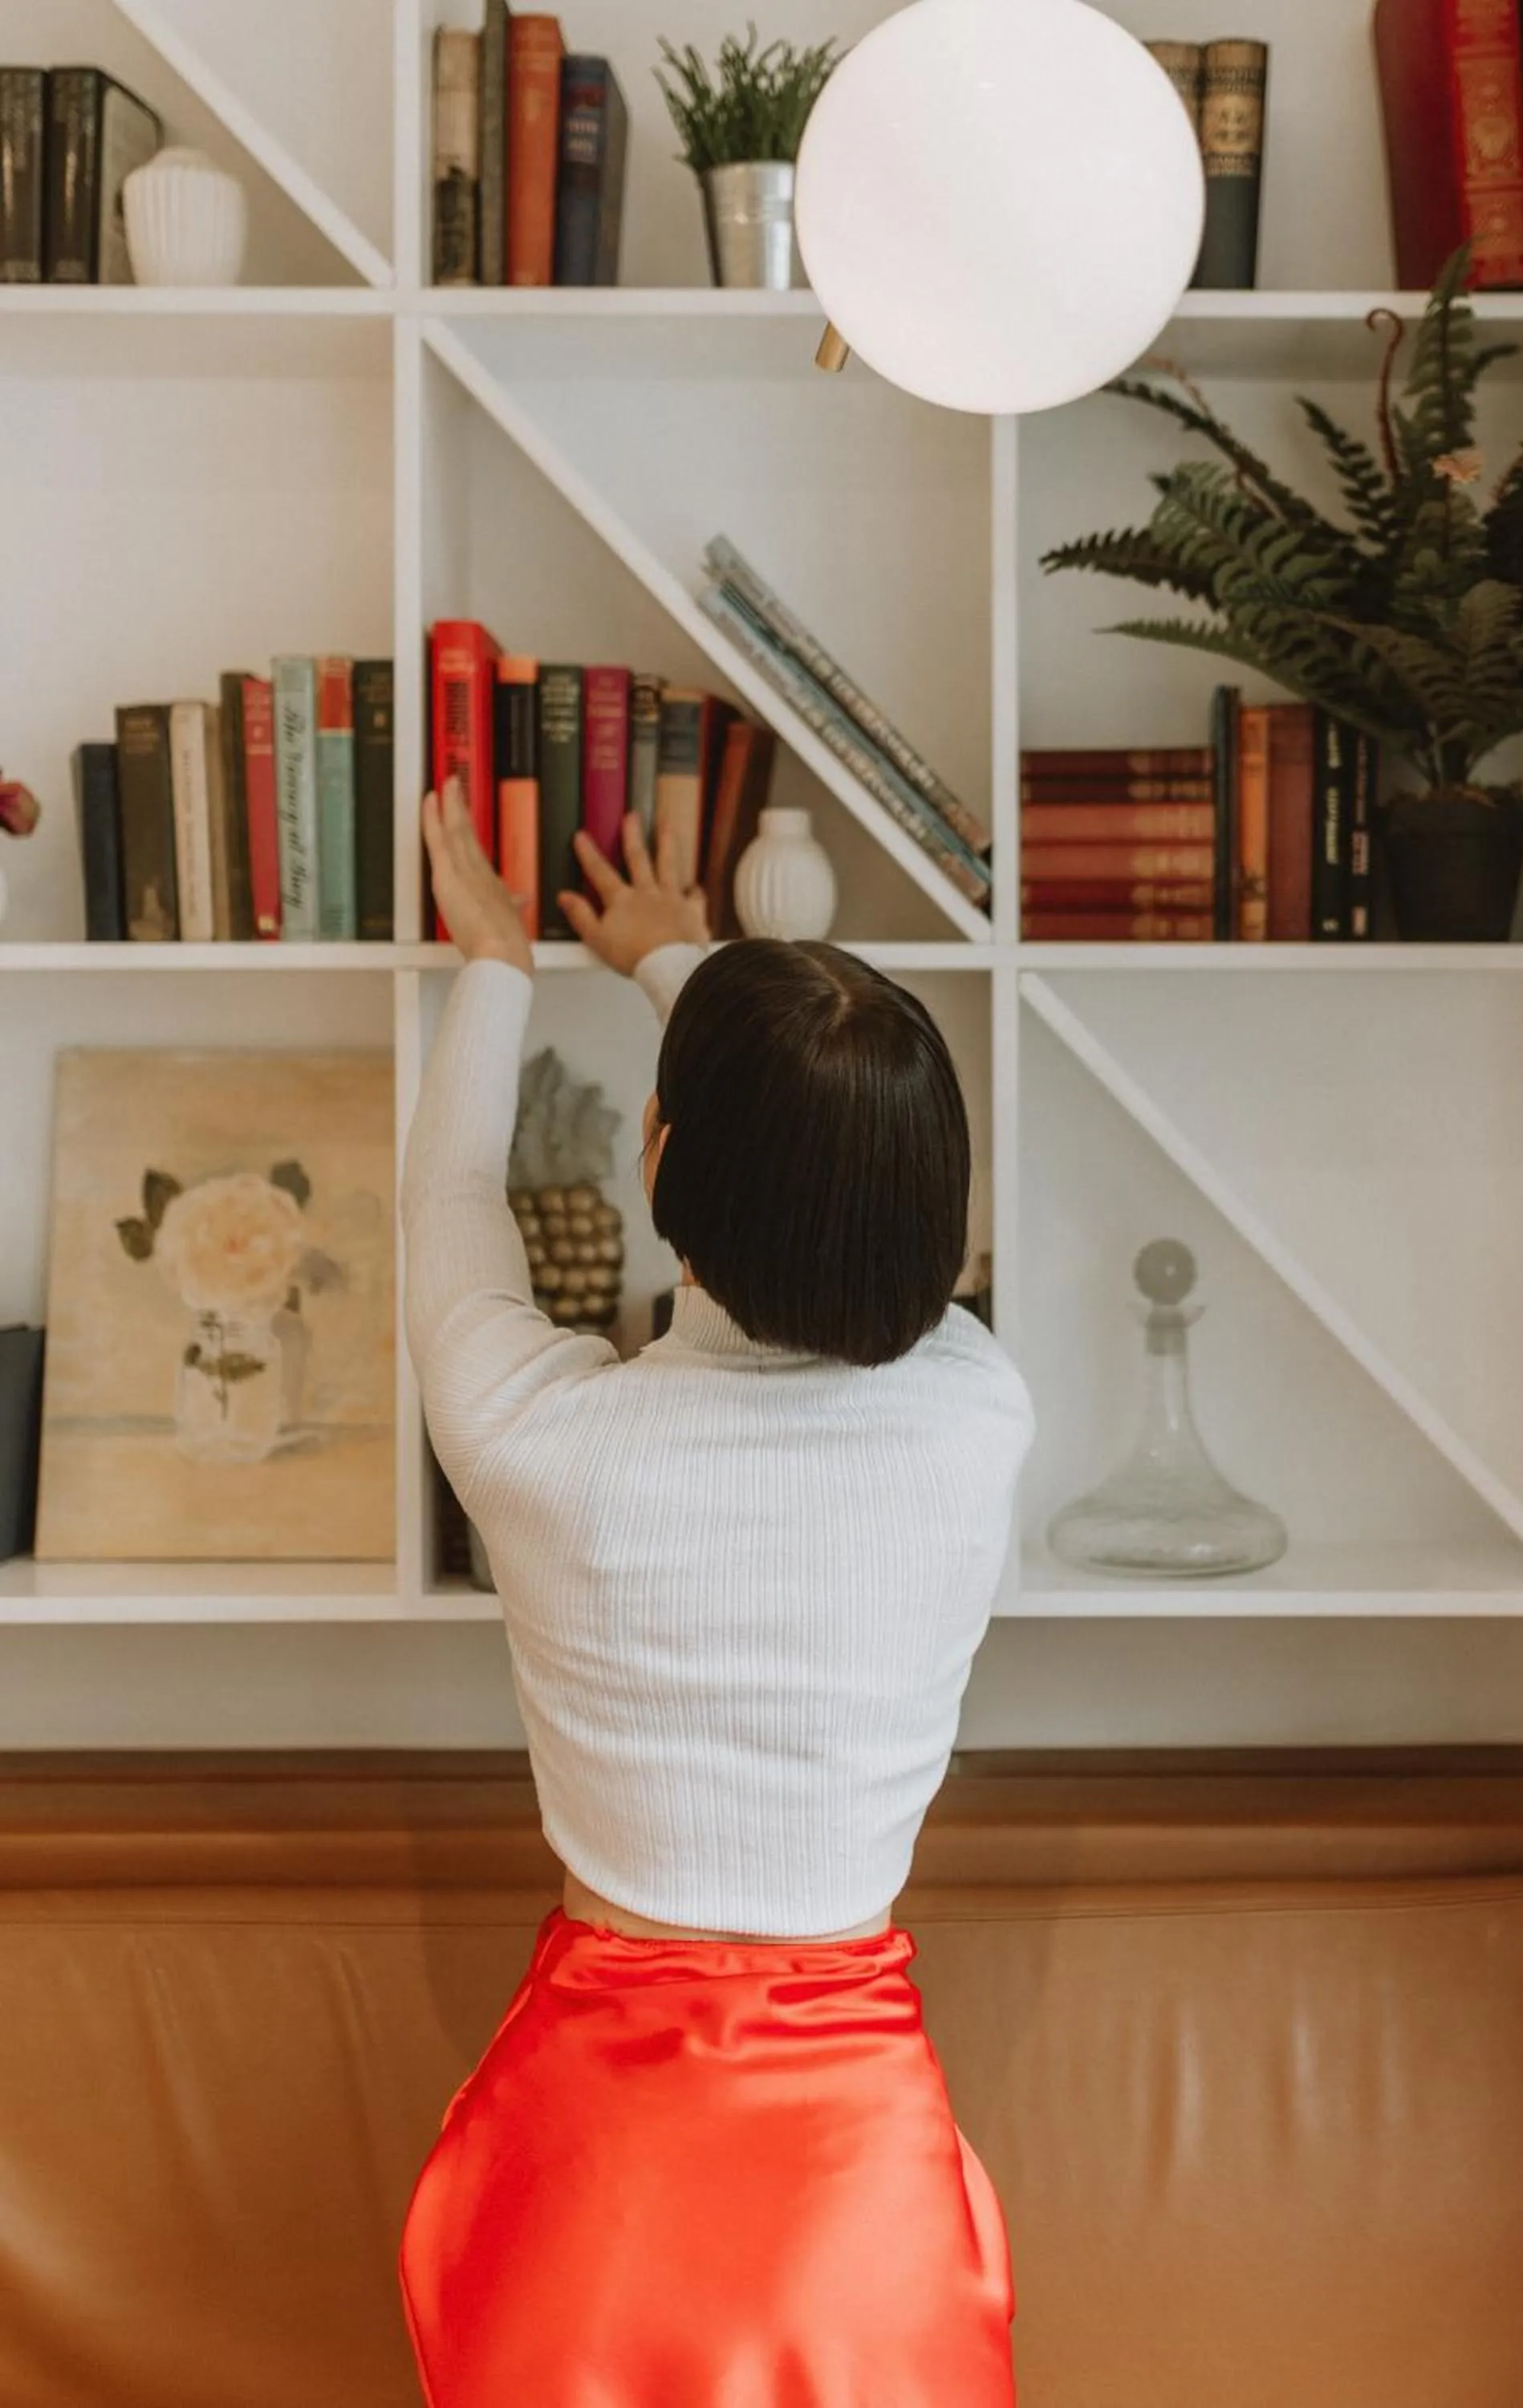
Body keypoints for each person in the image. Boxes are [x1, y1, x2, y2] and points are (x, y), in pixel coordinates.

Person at [398, 777, 1036, 2406]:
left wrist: (498, 965)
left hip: (598, 2163)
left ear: (658, 1153)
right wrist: (687, 966)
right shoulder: (980, 1415)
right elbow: (826, 1178)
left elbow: (452, 1211)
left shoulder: (550, 1446)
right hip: (859, 2170)